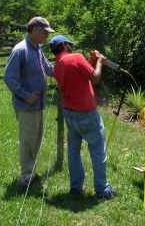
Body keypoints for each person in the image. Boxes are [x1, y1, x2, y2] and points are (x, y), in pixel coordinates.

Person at [49, 34, 116, 199]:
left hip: (70, 113)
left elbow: (81, 72)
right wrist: (99, 62)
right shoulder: (76, 57)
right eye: (69, 44)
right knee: (98, 150)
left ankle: (76, 187)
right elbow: (94, 77)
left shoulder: (58, 64)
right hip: (86, 113)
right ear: (64, 45)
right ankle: (102, 190)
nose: (71, 46)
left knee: (73, 151)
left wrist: (91, 60)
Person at [4, 16, 55, 187]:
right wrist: (26, 95)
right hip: (27, 105)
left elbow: (49, 68)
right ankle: (26, 176)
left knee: (36, 138)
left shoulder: (38, 49)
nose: (46, 37)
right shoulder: (20, 50)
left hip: (38, 104)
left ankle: (32, 170)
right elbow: (9, 77)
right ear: (35, 31)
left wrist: (68, 68)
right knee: (28, 139)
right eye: (45, 33)